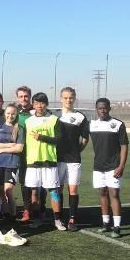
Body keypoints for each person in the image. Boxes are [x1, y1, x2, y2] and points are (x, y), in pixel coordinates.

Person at [24, 92, 63, 230]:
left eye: (42, 103)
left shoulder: (54, 119)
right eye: (37, 103)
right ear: (33, 105)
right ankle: (36, 219)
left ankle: (57, 219)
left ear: (46, 104)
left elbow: (58, 139)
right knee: (35, 192)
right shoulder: (28, 121)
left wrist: (41, 137)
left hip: (49, 160)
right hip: (33, 161)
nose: (39, 105)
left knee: (53, 191)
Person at [90, 98, 128, 238]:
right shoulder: (92, 125)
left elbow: (124, 146)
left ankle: (117, 227)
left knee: (114, 194)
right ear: (96, 109)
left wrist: (121, 165)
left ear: (109, 108)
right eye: (100, 108)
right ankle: (106, 223)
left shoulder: (118, 124)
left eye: (105, 108)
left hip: (114, 167)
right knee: (102, 193)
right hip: (98, 167)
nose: (103, 110)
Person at [56, 87, 89, 231]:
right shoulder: (54, 116)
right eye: (65, 97)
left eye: (71, 97)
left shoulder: (81, 117)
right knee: (58, 188)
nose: (68, 100)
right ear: (61, 99)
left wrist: (76, 151)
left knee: (73, 189)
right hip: (57, 158)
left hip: (74, 159)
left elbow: (85, 139)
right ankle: (60, 217)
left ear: (74, 98)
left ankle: (72, 218)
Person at [0, 104, 25, 221]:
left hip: (12, 163)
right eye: (8, 113)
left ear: (16, 115)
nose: (10, 116)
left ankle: (13, 216)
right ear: (5, 114)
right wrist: (9, 145)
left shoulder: (19, 129)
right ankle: (5, 214)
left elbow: (19, 148)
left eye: (13, 113)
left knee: (8, 190)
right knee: (0, 191)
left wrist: (2, 150)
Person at [16, 85, 35, 221]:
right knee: (23, 182)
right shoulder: (15, 112)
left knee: (37, 182)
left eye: (26, 96)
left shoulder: (37, 111)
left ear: (30, 97)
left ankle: (39, 208)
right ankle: (27, 209)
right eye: (21, 96)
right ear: (18, 98)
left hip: (36, 152)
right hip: (20, 153)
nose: (24, 98)